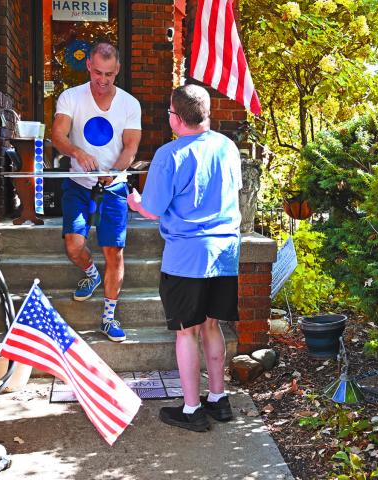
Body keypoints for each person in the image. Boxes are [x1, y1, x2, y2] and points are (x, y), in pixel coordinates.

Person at [127, 84, 242, 432]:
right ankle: (218, 399)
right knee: (212, 325)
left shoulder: (169, 154)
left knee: (185, 332)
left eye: (169, 113)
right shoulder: (228, 146)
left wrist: (135, 202)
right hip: (225, 253)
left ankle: (192, 409)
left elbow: (153, 209)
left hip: (186, 256)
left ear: (176, 118)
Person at [51, 41, 141, 343]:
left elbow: (131, 147)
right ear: (88, 65)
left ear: (117, 71)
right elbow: (58, 136)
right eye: (97, 73)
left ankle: (109, 317)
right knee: (74, 246)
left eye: (109, 75)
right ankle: (90, 273)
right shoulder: (71, 97)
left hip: (113, 187)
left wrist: (114, 171)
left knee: (114, 251)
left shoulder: (130, 104)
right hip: (78, 183)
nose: (102, 81)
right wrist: (76, 151)